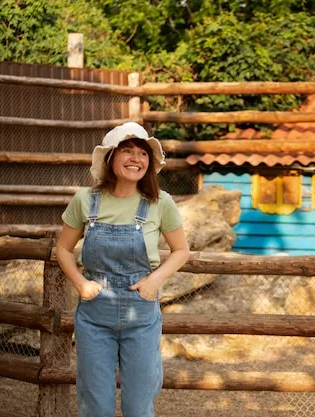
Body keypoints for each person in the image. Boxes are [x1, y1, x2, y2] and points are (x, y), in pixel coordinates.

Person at [56, 122, 190, 417]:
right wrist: (80, 284)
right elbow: (63, 250)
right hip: (94, 317)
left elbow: (181, 251)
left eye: (142, 153)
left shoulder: (159, 202)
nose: (136, 159)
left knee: (138, 407)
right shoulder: (85, 201)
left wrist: (153, 282)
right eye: (127, 151)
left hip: (141, 315)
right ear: (110, 158)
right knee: (96, 406)